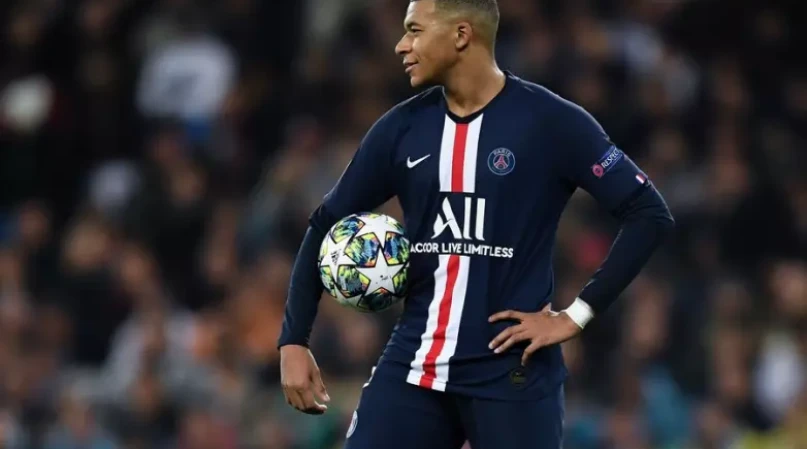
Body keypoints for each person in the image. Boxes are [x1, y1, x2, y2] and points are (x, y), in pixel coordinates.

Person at [277, 0, 675, 448]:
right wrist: (293, 340)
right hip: (416, 365)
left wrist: (576, 316)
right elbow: (325, 222)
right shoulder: (401, 128)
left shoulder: (551, 122)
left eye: (414, 30)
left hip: (513, 374)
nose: (401, 45)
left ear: (461, 35)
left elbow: (649, 214)